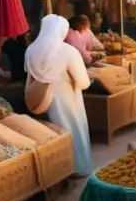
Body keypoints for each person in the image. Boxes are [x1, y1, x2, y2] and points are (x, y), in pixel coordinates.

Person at [24, 15, 92, 177]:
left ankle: (54, 173)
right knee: (73, 133)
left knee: (50, 137)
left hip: (41, 102)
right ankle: (77, 168)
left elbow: (29, 75)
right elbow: (84, 82)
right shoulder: (69, 52)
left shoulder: (31, 50)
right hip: (69, 103)